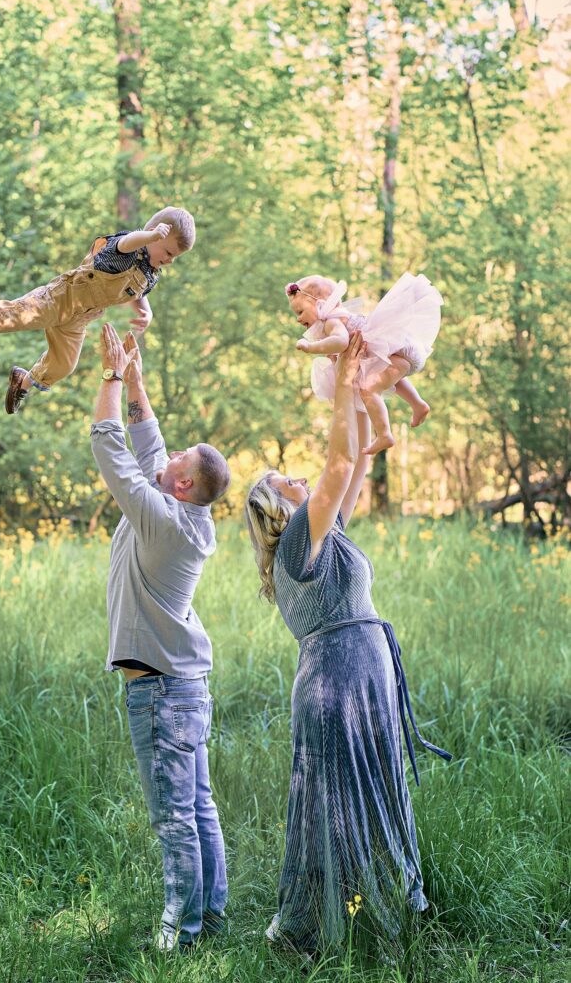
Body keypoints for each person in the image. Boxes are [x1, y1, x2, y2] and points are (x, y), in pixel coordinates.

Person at [244, 332, 451, 954]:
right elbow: (337, 464)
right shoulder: (298, 543)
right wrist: (344, 396)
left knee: (375, 790)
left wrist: (356, 385)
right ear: (276, 510)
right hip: (337, 686)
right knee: (336, 810)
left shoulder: (323, 534)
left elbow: (355, 460)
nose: (299, 476)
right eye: (285, 481)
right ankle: (323, 927)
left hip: (360, 676)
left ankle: (386, 906)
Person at [90, 323, 229, 952]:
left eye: (178, 461)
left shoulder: (162, 519)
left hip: (161, 693)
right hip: (186, 685)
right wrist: (139, 382)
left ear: (181, 485)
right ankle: (213, 914)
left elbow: (111, 448)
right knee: (198, 806)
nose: (168, 455)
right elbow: (150, 449)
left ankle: (181, 933)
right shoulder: (183, 512)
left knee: (174, 816)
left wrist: (112, 381)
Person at [0, 206, 195, 414]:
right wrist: (148, 235)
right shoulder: (124, 248)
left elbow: (138, 289)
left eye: (175, 258)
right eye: (169, 252)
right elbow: (127, 242)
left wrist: (144, 308)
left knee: (65, 364)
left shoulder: (150, 273)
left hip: (80, 318)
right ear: (156, 235)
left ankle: (23, 382)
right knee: (16, 314)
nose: (170, 261)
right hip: (62, 296)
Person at [286, 272, 442, 454]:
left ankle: (384, 435)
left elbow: (341, 342)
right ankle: (418, 404)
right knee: (388, 378)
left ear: (319, 304)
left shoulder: (332, 322)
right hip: (400, 353)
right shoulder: (338, 317)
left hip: (399, 351)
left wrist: (310, 347)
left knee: (368, 388)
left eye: (300, 312)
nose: (298, 319)